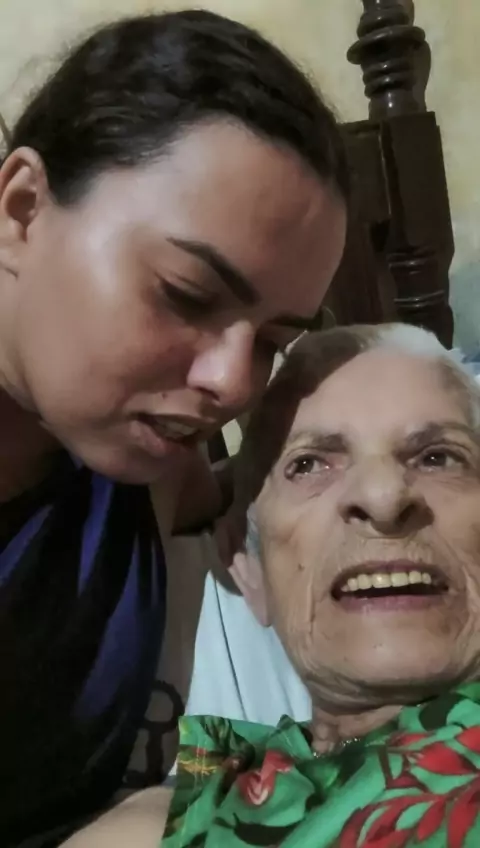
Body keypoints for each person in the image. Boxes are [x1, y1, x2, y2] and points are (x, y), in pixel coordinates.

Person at [0, 9, 348, 846]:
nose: (232, 384)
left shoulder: (149, 462)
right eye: (186, 294)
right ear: (21, 209)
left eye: (270, 341)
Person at [65, 323, 480, 847]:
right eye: (307, 465)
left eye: (437, 457)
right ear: (247, 569)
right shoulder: (167, 823)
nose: (383, 496)